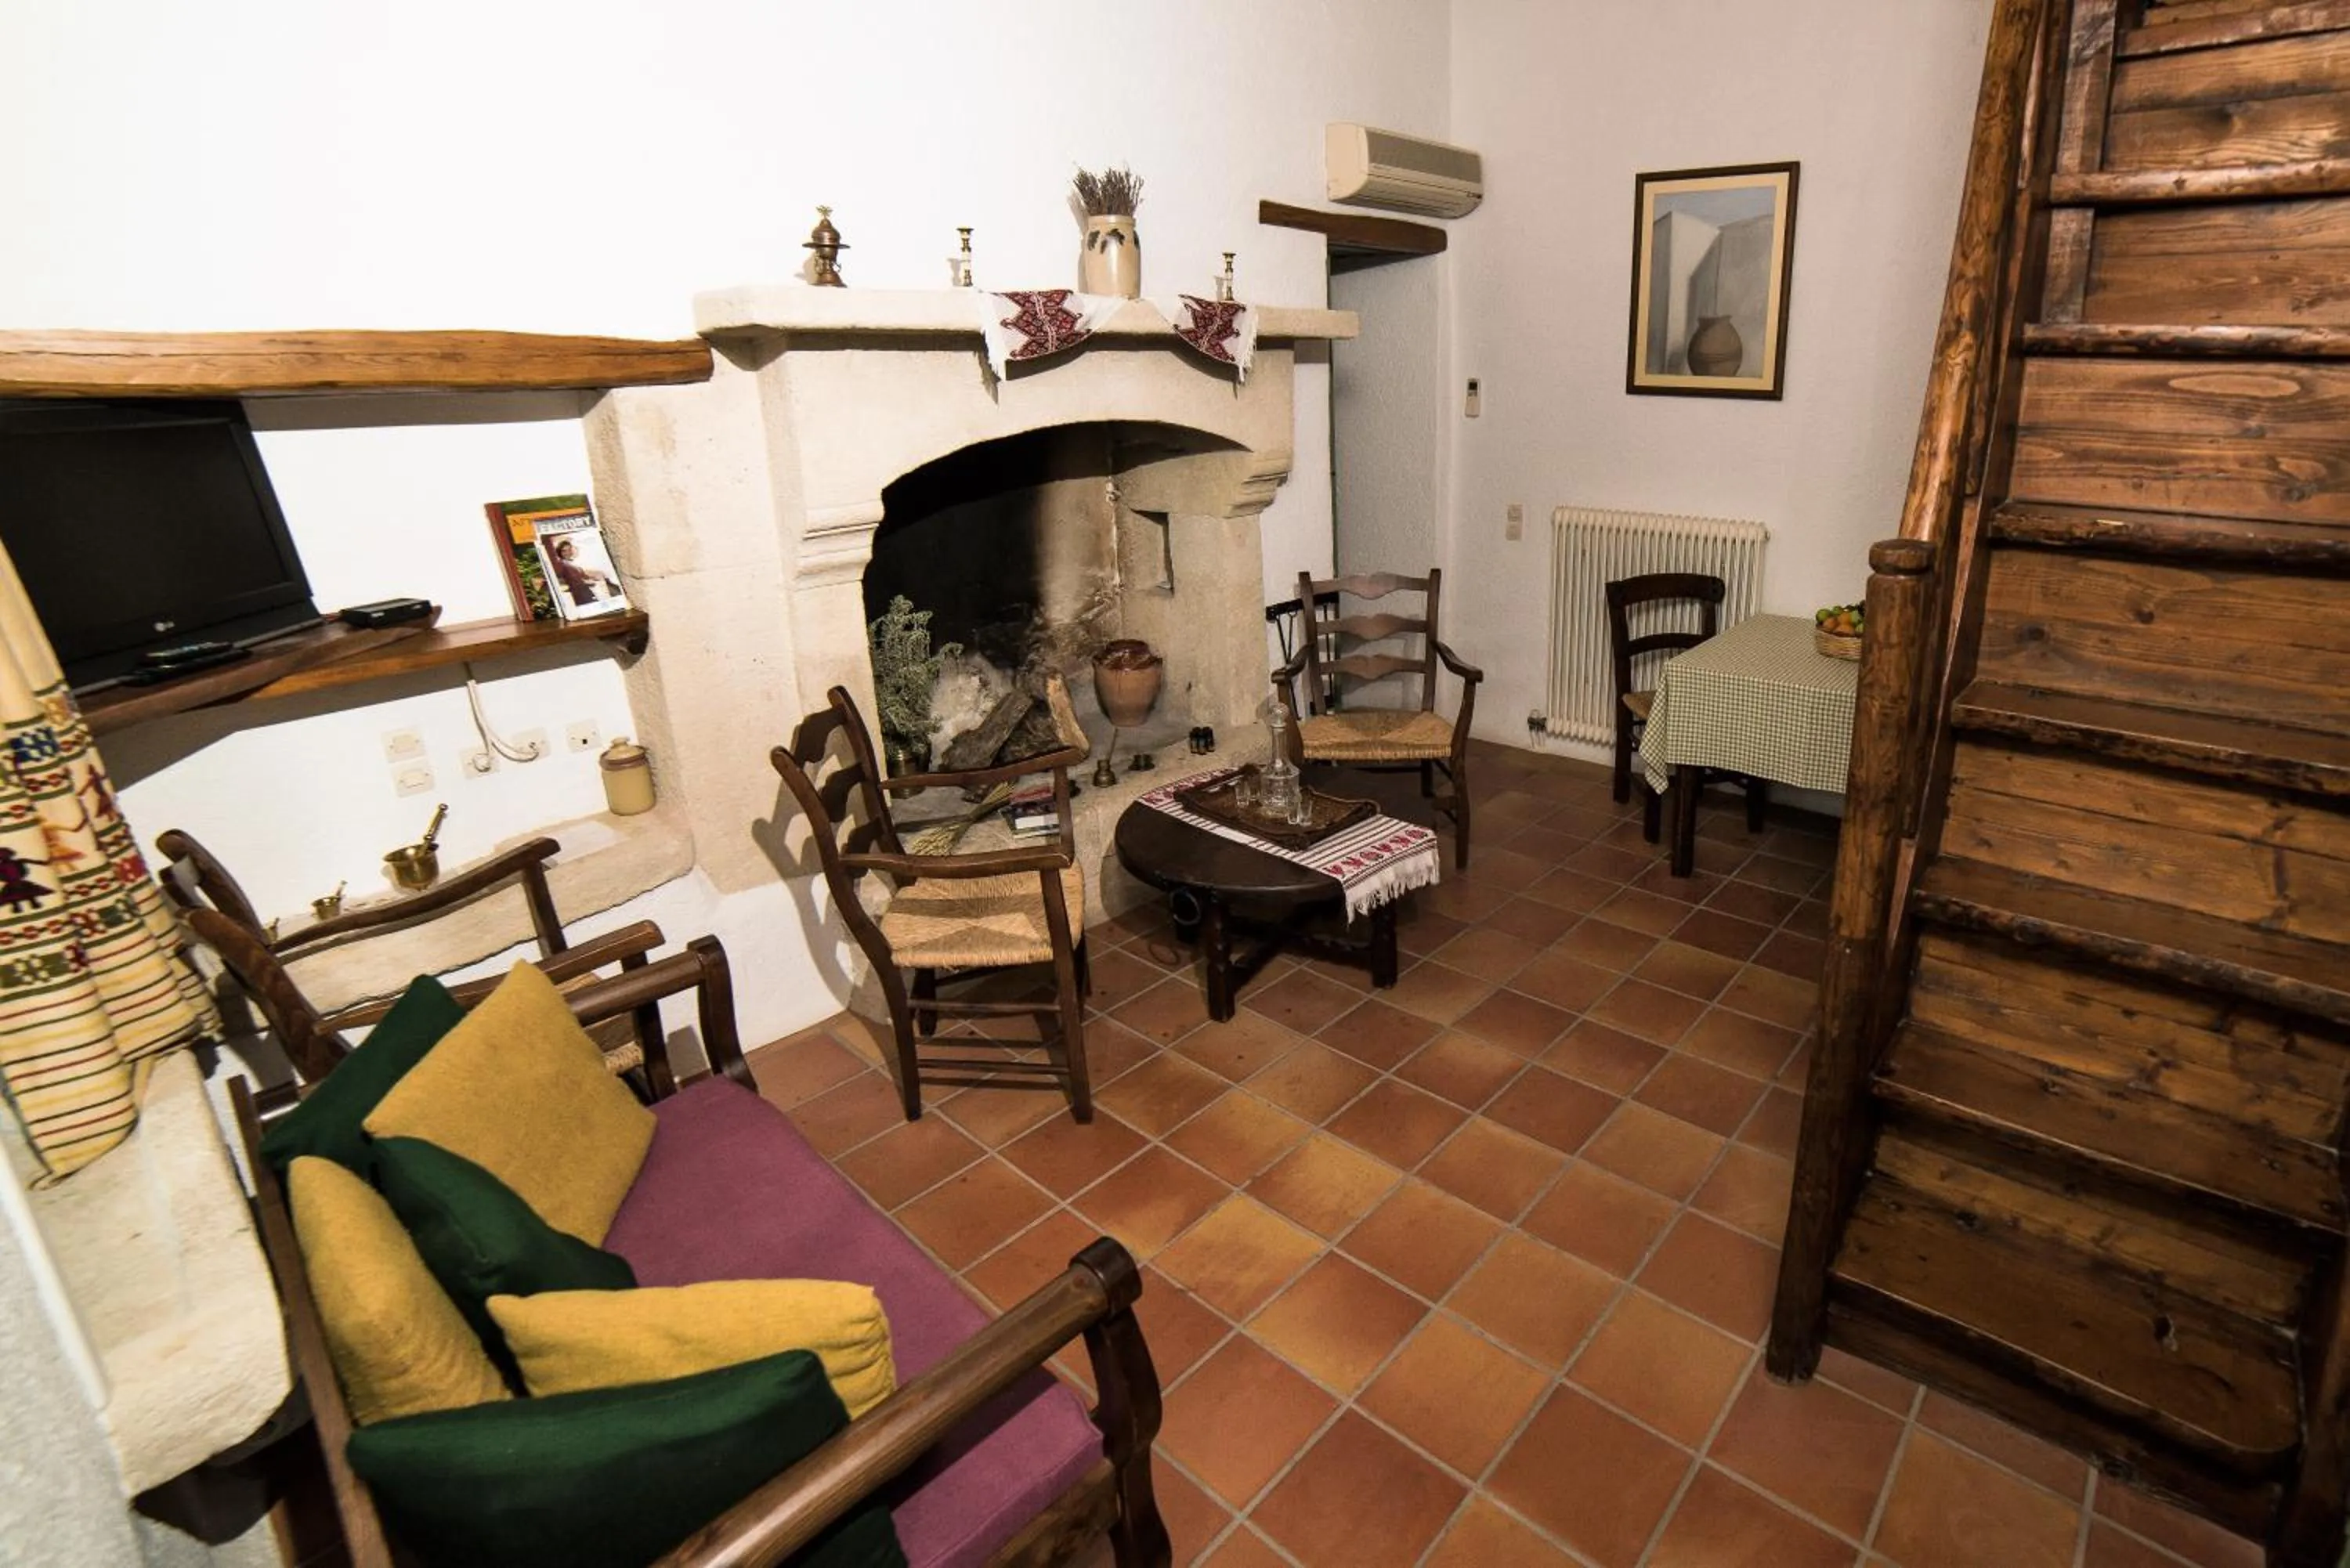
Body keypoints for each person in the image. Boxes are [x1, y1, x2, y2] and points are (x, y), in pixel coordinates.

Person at [548, 537, 618, 607]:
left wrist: (593, 577)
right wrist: (589, 582)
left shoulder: (572, 563)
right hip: (579, 594)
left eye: (569, 550)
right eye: (564, 551)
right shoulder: (562, 564)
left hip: (585, 591)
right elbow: (569, 580)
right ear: (559, 552)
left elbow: (582, 575)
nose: (568, 553)